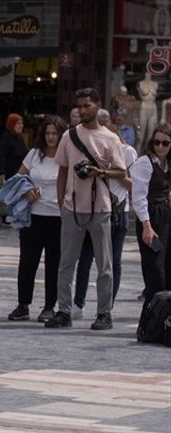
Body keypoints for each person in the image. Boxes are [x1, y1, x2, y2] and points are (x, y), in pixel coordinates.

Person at [47, 88, 129, 330]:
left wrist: (100, 172)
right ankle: (63, 310)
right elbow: (62, 169)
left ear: (97, 106)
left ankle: (104, 313)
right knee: (66, 263)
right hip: (72, 208)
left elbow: (122, 172)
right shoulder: (69, 137)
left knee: (105, 264)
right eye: (79, 106)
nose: (82, 110)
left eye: (87, 106)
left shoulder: (110, 138)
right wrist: (62, 201)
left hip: (101, 208)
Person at [74, 109, 137, 317]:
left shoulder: (127, 152)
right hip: (93, 208)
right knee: (85, 258)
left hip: (118, 211)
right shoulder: (88, 149)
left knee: (113, 262)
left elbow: (131, 184)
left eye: (102, 123)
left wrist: (108, 172)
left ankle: (107, 306)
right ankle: (78, 303)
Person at [8, 115, 67, 323]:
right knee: (27, 262)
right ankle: (23, 304)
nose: (51, 138)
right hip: (33, 216)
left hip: (57, 217)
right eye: (48, 133)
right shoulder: (34, 155)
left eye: (55, 134)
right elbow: (19, 177)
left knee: (54, 264)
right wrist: (27, 191)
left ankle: (50, 306)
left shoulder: (67, 157)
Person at [130, 123, 171, 304]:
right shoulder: (144, 163)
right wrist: (146, 225)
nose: (160, 147)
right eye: (157, 142)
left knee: (166, 265)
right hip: (151, 216)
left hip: (165, 215)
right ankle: (153, 317)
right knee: (154, 268)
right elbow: (138, 197)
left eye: (165, 143)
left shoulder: (167, 163)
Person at [0, 113, 28, 180]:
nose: (21, 126)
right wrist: (1, 173)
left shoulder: (20, 138)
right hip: (10, 175)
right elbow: (2, 156)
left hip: (20, 174)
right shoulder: (6, 138)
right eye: (18, 124)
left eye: (22, 123)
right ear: (12, 125)